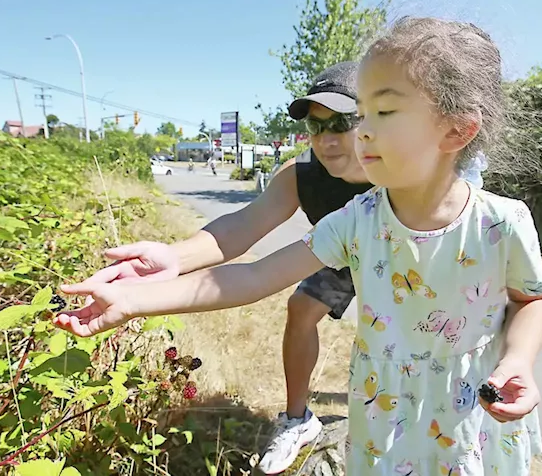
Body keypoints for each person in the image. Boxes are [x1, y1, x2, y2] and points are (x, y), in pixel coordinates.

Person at [55, 17, 542, 475]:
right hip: (385, 406)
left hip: (470, 416)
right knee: (301, 307)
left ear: (456, 130)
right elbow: (251, 271)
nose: (357, 133)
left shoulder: (501, 221)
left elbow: (531, 300)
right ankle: (298, 418)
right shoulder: (354, 217)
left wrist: (518, 361)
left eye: (379, 112)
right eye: (352, 115)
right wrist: (134, 299)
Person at [61, 61, 372, 474]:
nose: (327, 139)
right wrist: (171, 261)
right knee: (301, 308)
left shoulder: (401, 183)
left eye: (341, 123)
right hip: (338, 253)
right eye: (317, 127)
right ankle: (298, 420)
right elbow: (242, 232)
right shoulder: (303, 177)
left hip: (410, 268)